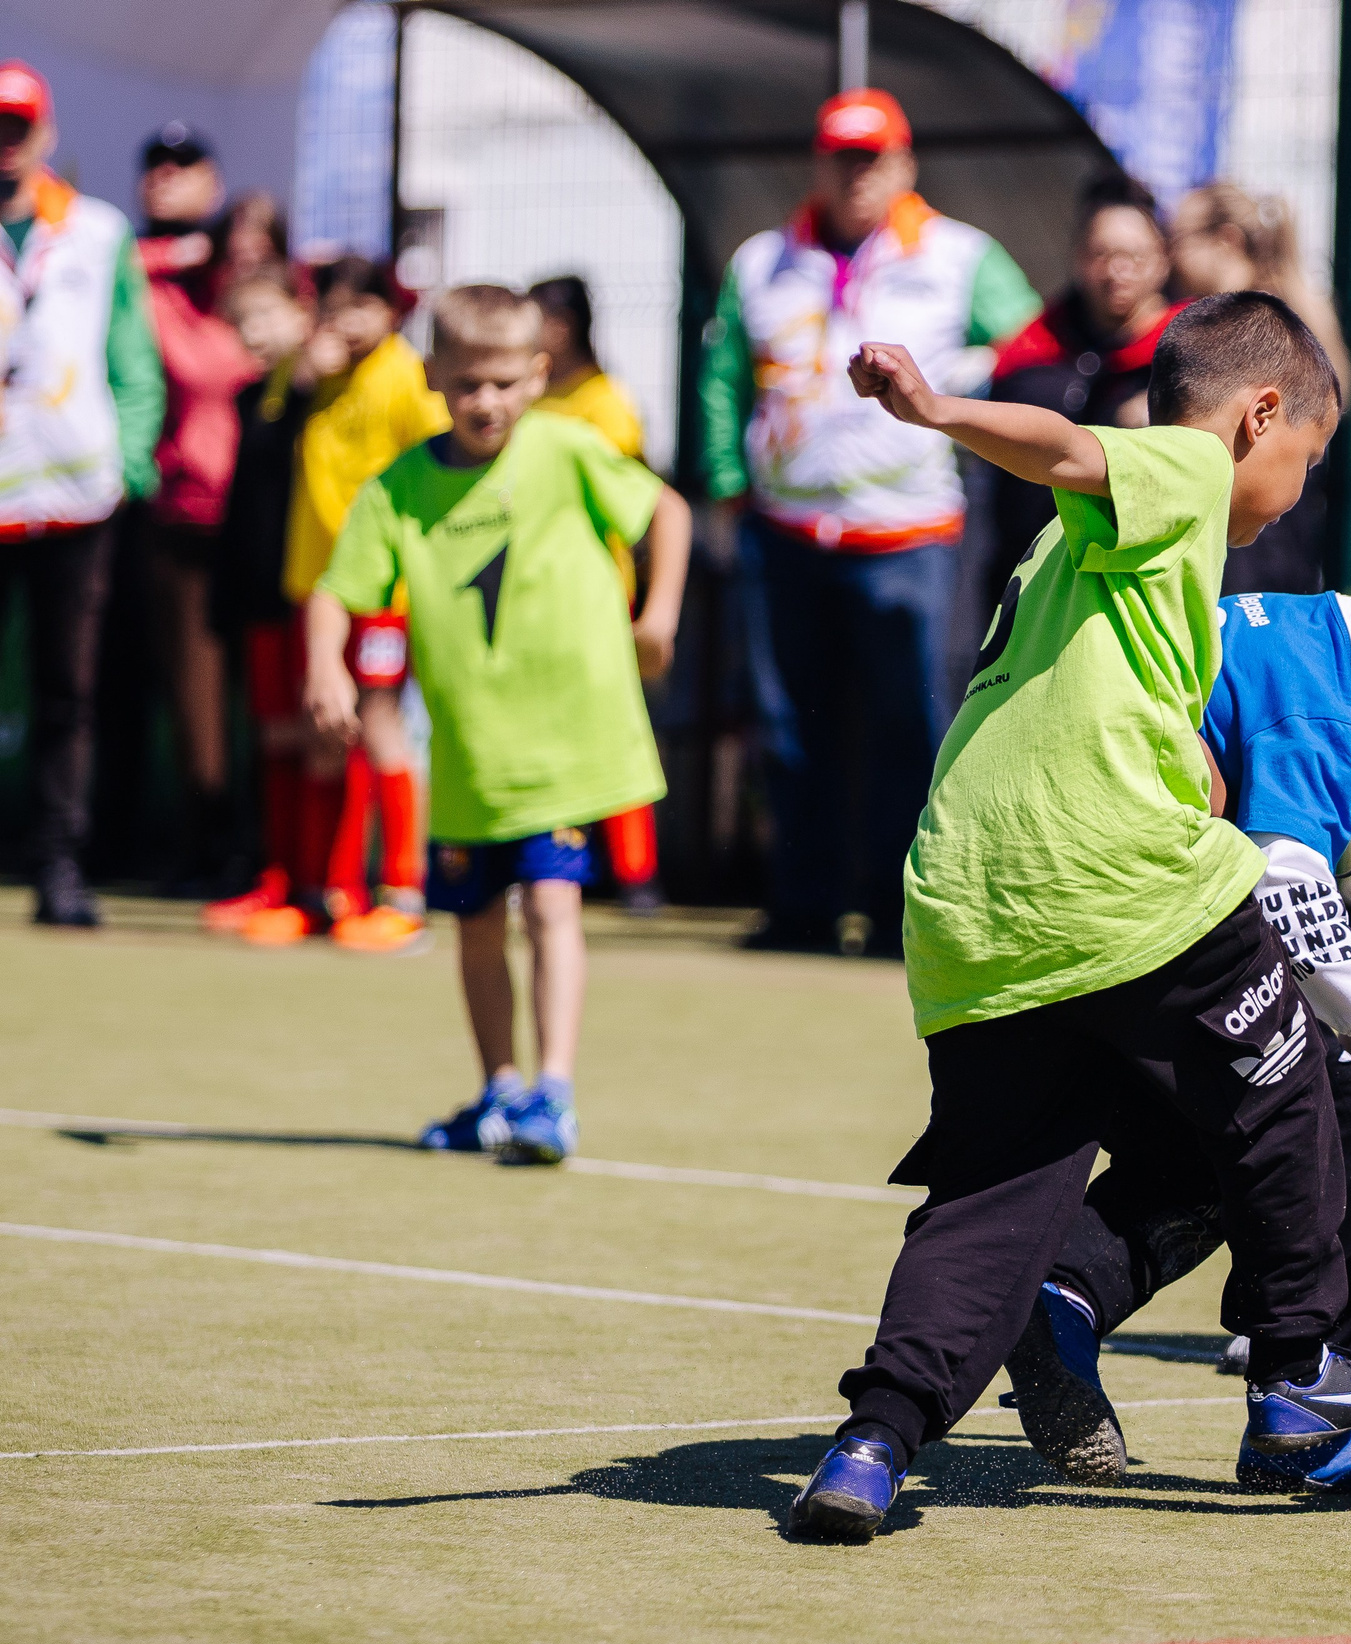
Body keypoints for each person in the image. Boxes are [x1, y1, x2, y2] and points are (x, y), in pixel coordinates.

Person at [788, 294, 1351, 1544]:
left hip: (971, 898)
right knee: (1301, 1080)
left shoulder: (1071, 557)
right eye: (1308, 454)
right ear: (1260, 417)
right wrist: (935, 410)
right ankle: (1301, 1378)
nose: (1300, 491)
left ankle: (874, 1441)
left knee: (992, 1199)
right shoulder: (1187, 472)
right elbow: (1071, 444)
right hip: (1108, 873)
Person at [1006, 541, 1351, 1497]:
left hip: (1053, 899)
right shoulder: (1319, 701)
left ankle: (1059, 1295)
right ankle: (1307, 1408)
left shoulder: (1289, 631)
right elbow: (1288, 889)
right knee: (1331, 1112)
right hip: (1120, 913)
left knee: (1216, 1143)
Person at [308, 284, 691, 1161]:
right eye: (468, 382)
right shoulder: (398, 489)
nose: (487, 401)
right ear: (435, 375)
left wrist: (659, 614)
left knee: (551, 906)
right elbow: (337, 592)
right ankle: (499, 1090)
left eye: (506, 382)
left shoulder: (566, 448)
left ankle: (553, 1094)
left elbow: (664, 510)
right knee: (476, 924)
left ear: (538, 374)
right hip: (472, 757)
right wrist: (323, 662)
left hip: (564, 747)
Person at [699, 88, 1040, 956]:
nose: (856, 175)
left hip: (914, 534)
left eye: (873, 157)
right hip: (787, 534)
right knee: (789, 726)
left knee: (912, 725)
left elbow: (1033, 349)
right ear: (817, 163)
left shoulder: (963, 256)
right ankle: (803, 906)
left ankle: (904, 915)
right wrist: (729, 481)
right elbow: (722, 375)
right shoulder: (762, 261)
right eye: (841, 157)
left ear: (904, 164)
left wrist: (966, 383)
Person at [226, 256, 446, 950]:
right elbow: (265, 442)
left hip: (383, 591)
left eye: (363, 307)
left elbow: (442, 462)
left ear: (391, 311)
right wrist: (306, 380)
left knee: (380, 724)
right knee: (322, 731)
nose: (347, 323)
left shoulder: (404, 377)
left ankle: (404, 891)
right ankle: (327, 892)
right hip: (314, 585)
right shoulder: (309, 375)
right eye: (336, 307)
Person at [0, 60, 165, 928]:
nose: (5, 142)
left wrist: (128, 463)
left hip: (75, 492)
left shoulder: (98, 233)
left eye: (16, 125)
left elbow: (133, 357)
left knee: (70, 690)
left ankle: (59, 862)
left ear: (46, 132)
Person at [136, 122, 265, 894]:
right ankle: (208, 844)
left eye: (184, 166)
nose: (167, 178)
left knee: (270, 696)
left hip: (259, 519)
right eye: (156, 166)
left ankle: (275, 851)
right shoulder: (141, 276)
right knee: (194, 693)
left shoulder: (249, 284)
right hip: (179, 516)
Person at [528, 273, 666, 915]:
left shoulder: (606, 401)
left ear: (572, 324)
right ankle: (559, 861)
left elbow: (631, 504)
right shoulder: (532, 400)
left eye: (545, 320)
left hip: (599, 595)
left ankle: (637, 876)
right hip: (531, 596)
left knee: (615, 730)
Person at [981, 175, 1182, 601]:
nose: (1115, 271)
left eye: (1133, 256)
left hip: (1143, 580)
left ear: (1163, 260)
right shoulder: (1032, 349)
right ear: (1077, 257)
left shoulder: (1188, 357)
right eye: (1101, 254)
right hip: (1029, 578)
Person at [201, 266, 317, 932]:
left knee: (318, 737)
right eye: (242, 323)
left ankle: (320, 884)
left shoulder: (317, 390)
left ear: (304, 313)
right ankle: (275, 877)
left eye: (268, 316)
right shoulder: (253, 396)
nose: (256, 333)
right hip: (260, 592)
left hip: (312, 589)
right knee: (272, 737)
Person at [1167, 183, 1343, 594]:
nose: (1168, 258)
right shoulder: (1290, 310)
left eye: (1176, 241)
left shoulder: (1253, 325)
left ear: (1226, 240)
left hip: (1252, 550)